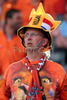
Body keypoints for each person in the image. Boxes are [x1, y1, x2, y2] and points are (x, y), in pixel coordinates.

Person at [0, 3, 67, 100]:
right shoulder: (11, 70)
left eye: (34, 34)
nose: (29, 38)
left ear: (44, 41)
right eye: (26, 35)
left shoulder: (58, 71)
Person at [0, 9, 26, 87]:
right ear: (9, 19)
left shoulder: (24, 39)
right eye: (17, 18)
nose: (20, 21)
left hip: (18, 79)